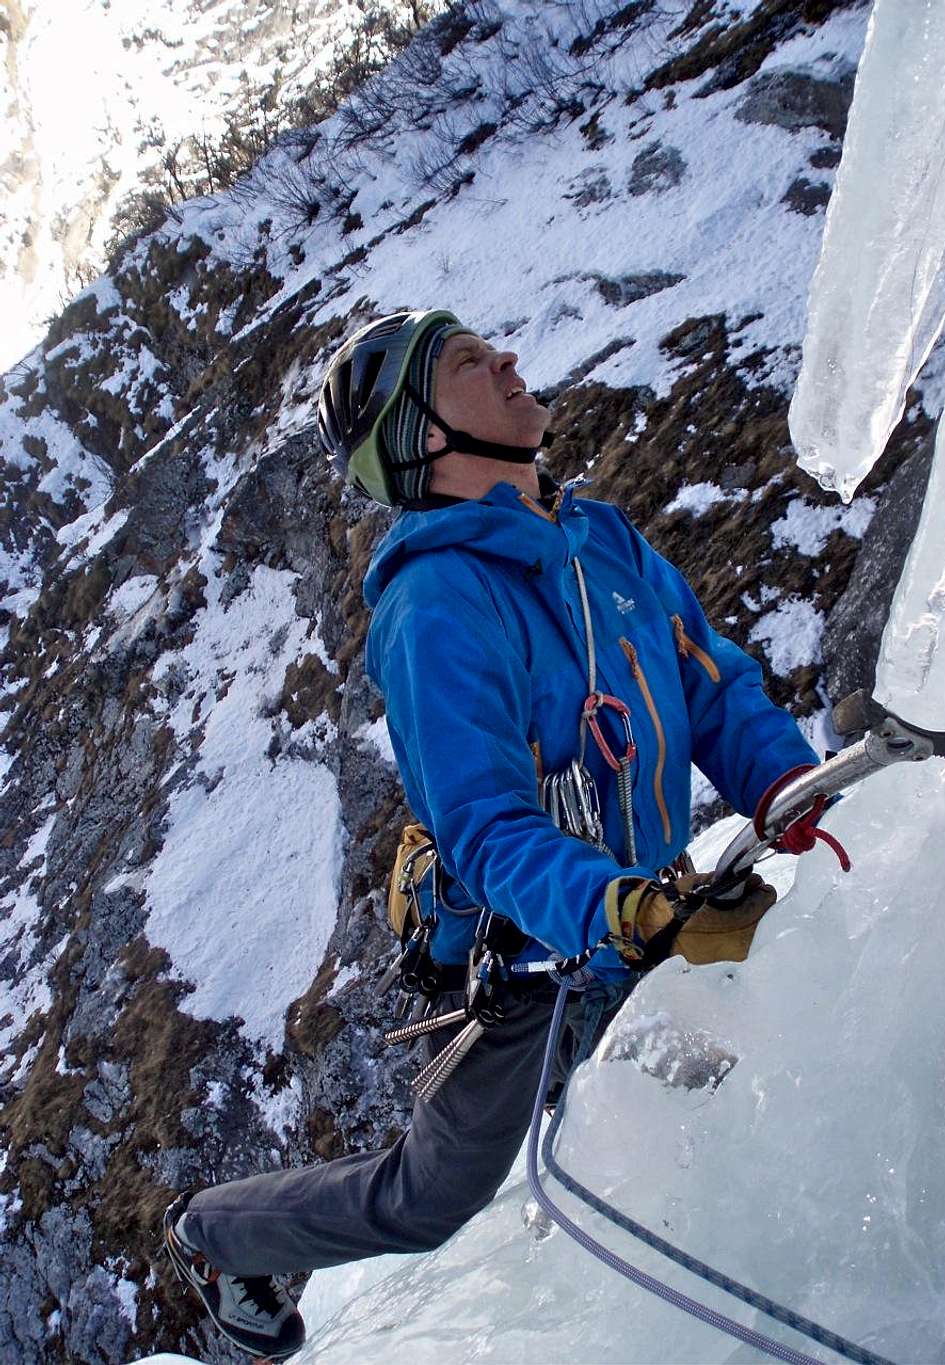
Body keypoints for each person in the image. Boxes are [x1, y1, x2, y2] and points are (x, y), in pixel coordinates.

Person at [162, 309, 820, 1360]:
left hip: (646, 912)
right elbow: (484, 827)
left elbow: (706, 678)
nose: (508, 360)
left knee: (744, 1094)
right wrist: (617, 909)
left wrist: (787, 780)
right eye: (469, 362)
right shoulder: (434, 607)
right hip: (532, 957)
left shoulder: (599, 543)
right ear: (423, 436)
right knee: (428, 1198)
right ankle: (215, 1235)